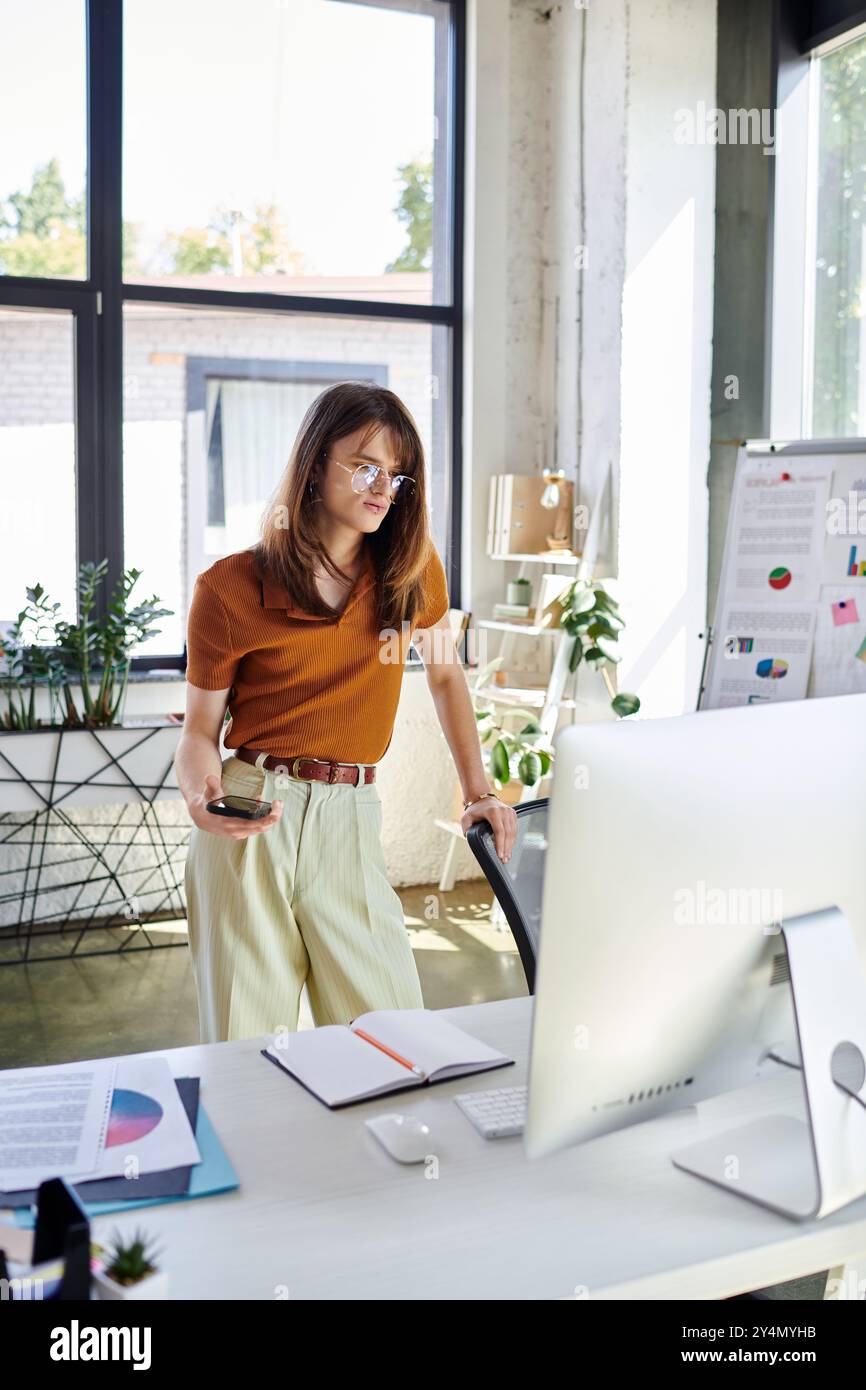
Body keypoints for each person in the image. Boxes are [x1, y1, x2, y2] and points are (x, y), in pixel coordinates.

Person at [175, 381, 517, 1043]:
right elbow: (197, 731)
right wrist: (199, 795)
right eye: (363, 465)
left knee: (393, 1041)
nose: (381, 487)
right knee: (251, 1048)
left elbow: (447, 677)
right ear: (313, 465)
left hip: (352, 817)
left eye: (396, 475)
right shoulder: (230, 589)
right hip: (251, 811)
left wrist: (480, 792)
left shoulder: (413, 572)